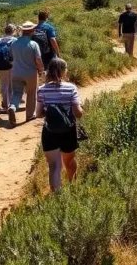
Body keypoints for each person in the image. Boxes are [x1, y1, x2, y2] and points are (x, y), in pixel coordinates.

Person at [35, 58, 84, 192]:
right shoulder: (71, 88)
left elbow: (38, 113)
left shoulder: (42, 90)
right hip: (68, 131)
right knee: (68, 162)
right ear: (63, 71)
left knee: (54, 166)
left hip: (50, 131)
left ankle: (57, 197)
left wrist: (51, 111)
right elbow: (78, 113)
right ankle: (73, 187)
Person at [9, 21, 44, 127]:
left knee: (17, 93)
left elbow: (11, 57)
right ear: (31, 31)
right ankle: (29, 115)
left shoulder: (14, 43)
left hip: (16, 72)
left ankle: (12, 107)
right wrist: (41, 70)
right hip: (30, 73)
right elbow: (38, 60)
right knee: (31, 93)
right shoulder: (33, 44)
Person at [0, 23, 17, 111]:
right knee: (12, 84)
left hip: (1, 65)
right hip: (12, 64)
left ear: (5, 31)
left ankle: (5, 103)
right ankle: (11, 104)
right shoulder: (15, 40)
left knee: (3, 84)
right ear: (13, 31)